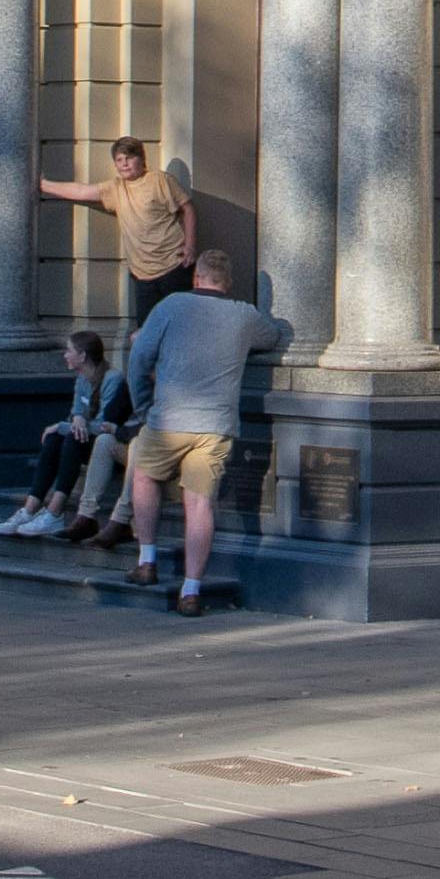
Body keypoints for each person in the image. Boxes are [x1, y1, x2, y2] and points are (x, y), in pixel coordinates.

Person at [113, 253, 286, 616]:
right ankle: (191, 591)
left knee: (144, 476)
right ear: (228, 282)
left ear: (196, 277)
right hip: (215, 425)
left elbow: (140, 356)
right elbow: (271, 338)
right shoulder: (243, 314)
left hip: (168, 417)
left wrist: (144, 405)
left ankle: (147, 561)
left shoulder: (171, 305)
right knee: (200, 504)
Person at [40, 137, 200, 323]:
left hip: (174, 265)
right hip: (142, 274)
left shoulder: (160, 180)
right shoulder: (116, 188)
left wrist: (190, 245)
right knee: (146, 330)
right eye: (119, 160)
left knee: (181, 325)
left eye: (129, 158)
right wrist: (43, 185)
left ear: (141, 158)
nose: (124, 164)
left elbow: (188, 208)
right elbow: (82, 191)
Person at [0, 328, 113, 539]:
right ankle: (30, 508)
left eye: (69, 351)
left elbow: (105, 425)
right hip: (86, 438)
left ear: (83, 355)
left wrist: (66, 425)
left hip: (108, 444)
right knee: (54, 438)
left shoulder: (112, 379)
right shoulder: (81, 380)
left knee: (69, 437)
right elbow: (76, 415)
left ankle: (54, 512)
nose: (65, 355)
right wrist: (74, 420)